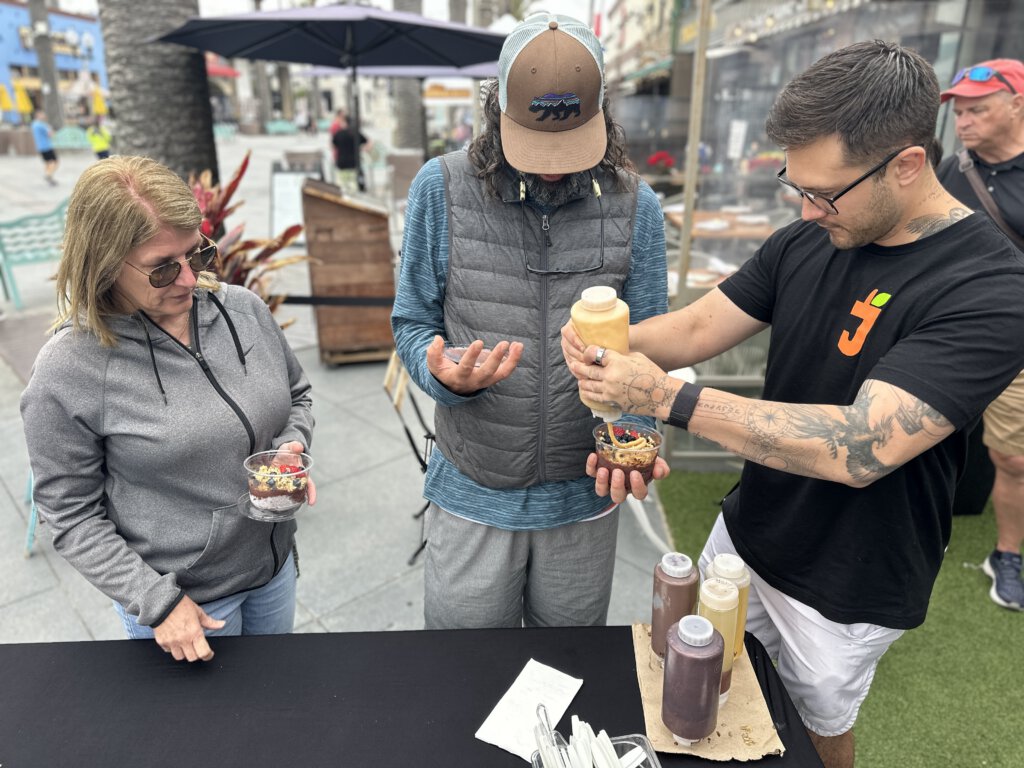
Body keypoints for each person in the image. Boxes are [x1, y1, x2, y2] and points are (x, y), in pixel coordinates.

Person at [561, 41, 1024, 768]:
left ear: (906, 164)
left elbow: (861, 446)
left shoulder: (990, 287)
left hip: (851, 578)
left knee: (811, 737)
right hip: (748, 533)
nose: (807, 211)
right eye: (796, 186)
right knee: (691, 692)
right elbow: (695, 327)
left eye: (825, 193)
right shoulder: (809, 237)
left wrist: (663, 397)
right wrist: (604, 344)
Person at [390, 12, 668, 631]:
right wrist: (443, 376)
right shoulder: (439, 189)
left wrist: (634, 435)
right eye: (533, 146)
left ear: (601, 117)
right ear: (496, 112)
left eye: (569, 148)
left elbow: (651, 340)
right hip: (473, 487)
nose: (550, 168)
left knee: (566, 667)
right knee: (461, 672)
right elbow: (411, 320)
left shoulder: (635, 205)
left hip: (585, 493)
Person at [21, 156, 316, 663]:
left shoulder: (242, 308)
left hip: (273, 568)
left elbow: (298, 394)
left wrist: (293, 443)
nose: (188, 279)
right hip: (184, 605)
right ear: (103, 263)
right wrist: (156, 601)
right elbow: (69, 514)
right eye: (162, 268)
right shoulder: (68, 368)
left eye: (197, 253)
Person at [935, 58, 1024, 611]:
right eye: (960, 111)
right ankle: (918, 525)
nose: (964, 121)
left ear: (1017, 104)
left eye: (978, 109)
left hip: (1015, 342)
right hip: (943, 334)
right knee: (919, 434)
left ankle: (1007, 552)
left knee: (1012, 456)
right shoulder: (947, 170)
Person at [330, 109, 370, 192]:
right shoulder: (355, 133)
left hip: (342, 163)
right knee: (354, 183)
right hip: (354, 162)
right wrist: (362, 149)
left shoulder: (338, 134)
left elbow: (332, 145)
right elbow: (368, 142)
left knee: (343, 182)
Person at [30, 109, 58, 185]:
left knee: (47, 163)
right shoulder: (41, 125)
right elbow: (51, 134)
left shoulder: (33, 124)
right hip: (47, 146)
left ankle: (49, 176)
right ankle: (48, 175)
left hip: (40, 147)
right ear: (38, 115)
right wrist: (50, 128)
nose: (44, 115)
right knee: (54, 162)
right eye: (42, 114)